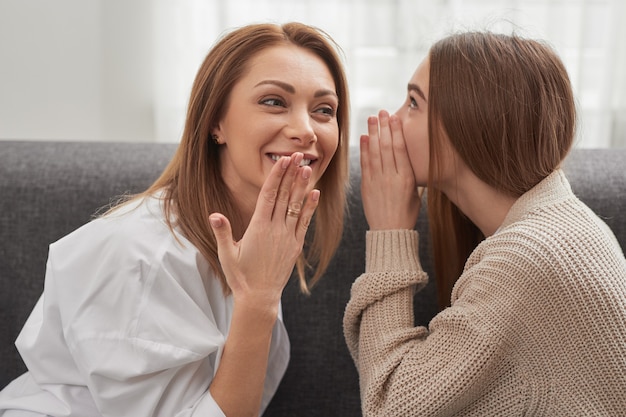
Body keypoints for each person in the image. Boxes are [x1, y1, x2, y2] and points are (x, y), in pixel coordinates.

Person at [0, 22, 350, 417]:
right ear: (216, 122)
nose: (306, 131)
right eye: (273, 101)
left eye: (324, 110)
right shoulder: (142, 259)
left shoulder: (257, 238)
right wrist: (259, 301)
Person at [344, 31, 626, 416]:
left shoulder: (527, 259)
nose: (392, 120)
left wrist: (388, 232)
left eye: (413, 103)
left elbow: (390, 405)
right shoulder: (561, 224)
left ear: (473, 122)